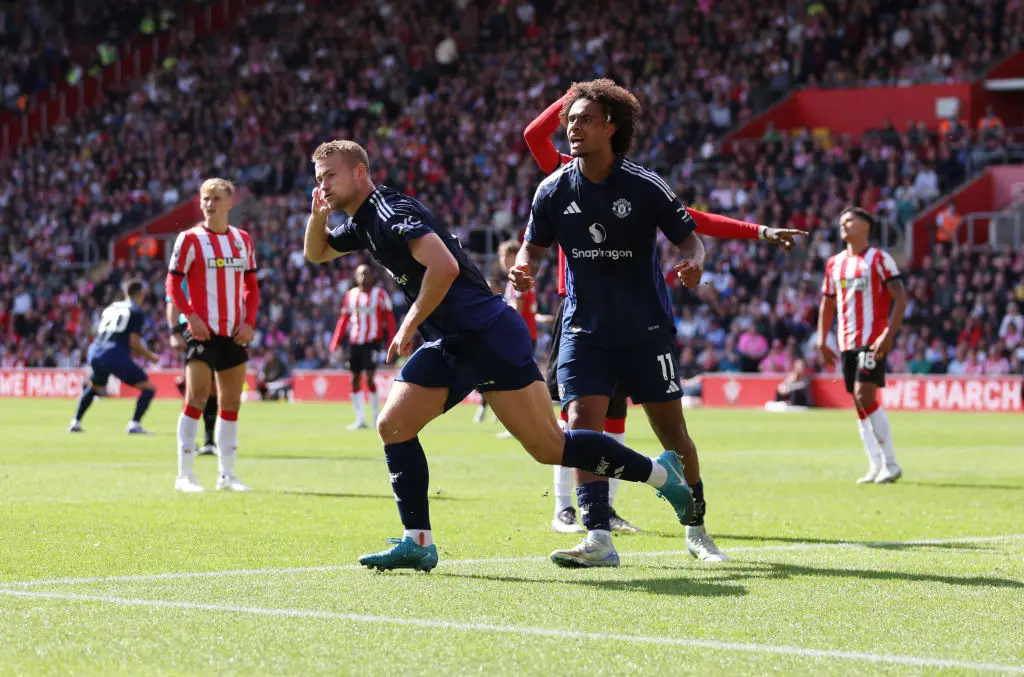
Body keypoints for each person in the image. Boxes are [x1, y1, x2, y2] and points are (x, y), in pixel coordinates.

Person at [304, 139, 696, 572]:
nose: (324, 185)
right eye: (319, 178)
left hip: (487, 334)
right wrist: (317, 216)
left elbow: (444, 268)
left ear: (360, 172)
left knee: (550, 447)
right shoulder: (362, 220)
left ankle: (662, 475)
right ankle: (417, 541)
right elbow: (317, 252)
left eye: (331, 175)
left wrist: (410, 323)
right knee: (393, 424)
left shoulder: (390, 212)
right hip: (453, 342)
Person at [523, 87, 804, 540]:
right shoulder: (555, 181)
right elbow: (533, 143)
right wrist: (572, 94)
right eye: (570, 121)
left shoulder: (642, 185)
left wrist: (751, 235)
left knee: (652, 426)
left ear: (611, 127)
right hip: (579, 318)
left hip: (642, 323)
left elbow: (693, 224)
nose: (573, 127)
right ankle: (581, 521)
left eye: (585, 118)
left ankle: (681, 523)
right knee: (577, 420)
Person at [166, 178, 259, 493]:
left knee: (231, 401)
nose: (210, 203)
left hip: (233, 333)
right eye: (206, 198)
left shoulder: (242, 240)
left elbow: (252, 286)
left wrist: (249, 323)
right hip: (202, 333)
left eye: (216, 198)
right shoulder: (189, 240)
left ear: (230, 202)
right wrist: (190, 318)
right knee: (197, 396)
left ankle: (227, 475)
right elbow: (172, 285)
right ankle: (185, 475)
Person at [817, 206, 908, 484]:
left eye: (849, 220)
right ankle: (875, 464)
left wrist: (888, 334)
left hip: (872, 340)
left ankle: (891, 463)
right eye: (841, 220)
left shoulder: (879, 259)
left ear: (865, 226)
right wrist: (822, 339)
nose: (843, 224)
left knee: (863, 394)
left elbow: (900, 297)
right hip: (847, 342)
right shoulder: (835, 263)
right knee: (858, 403)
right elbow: (827, 303)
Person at [68, 279, 159, 434]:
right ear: (141, 293)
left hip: (95, 351)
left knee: (95, 386)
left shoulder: (112, 307)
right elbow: (134, 342)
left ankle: (75, 422)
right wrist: (151, 356)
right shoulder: (136, 311)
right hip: (114, 353)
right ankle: (134, 424)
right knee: (148, 388)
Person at [329, 263, 395, 429]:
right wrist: (335, 341)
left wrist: (391, 341)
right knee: (355, 379)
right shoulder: (350, 295)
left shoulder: (380, 294)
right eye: (360, 274)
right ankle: (360, 419)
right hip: (354, 342)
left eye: (366, 274)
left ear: (371, 276)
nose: (363, 277)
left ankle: (375, 417)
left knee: (371, 377)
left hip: (372, 342)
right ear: (356, 277)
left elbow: (390, 319)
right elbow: (344, 319)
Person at [167, 280, 219, 455]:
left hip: (220, 327)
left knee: (213, 388)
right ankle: (188, 442)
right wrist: (174, 332)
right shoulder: (186, 264)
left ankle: (209, 441)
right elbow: (173, 299)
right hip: (192, 328)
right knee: (195, 388)